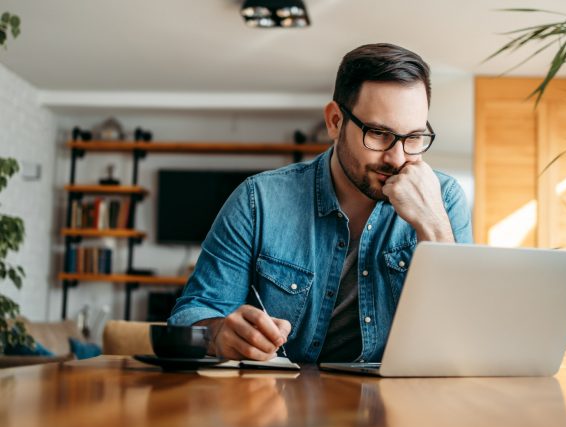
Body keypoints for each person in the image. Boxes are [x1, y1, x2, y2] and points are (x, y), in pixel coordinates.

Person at [168, 43, 473, 363]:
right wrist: (218, 334)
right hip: (279, 402)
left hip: (398, 405)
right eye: (379, 133)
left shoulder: (444, 198)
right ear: (335, 122)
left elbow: (464, 337)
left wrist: (434, 227)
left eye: (413, 137)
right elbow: (191, 314)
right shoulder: (258, 200)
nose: (397, 158)